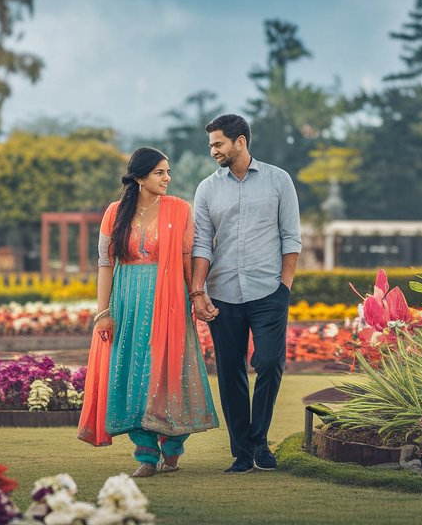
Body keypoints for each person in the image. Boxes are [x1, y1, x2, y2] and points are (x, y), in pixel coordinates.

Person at [78, 147, 219, 478]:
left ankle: (172, 447)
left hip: (169, 301)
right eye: (160, 172)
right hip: (126, 303)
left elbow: (188, 259)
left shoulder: (180, 209)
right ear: (140, 177)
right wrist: (103, 312)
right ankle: (145, 454)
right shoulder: (115, 212)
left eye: (168, 172)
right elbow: (104, 263)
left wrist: (197, 296)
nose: (167, 178)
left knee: (170, 372)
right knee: (131, 373)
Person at [190, 114, 301, 473]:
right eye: (211, 145)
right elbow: (202, 243)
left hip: (269, 291)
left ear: (240, 141)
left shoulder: (278, 180)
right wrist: (198, 290)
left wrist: (285, 286)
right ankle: (242, 452)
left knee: (269, 362)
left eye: (218, 144)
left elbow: (291, 237)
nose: (213, 151)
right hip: (223, 293)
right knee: (230, 370)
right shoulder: (208, 188)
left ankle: (259, 441)